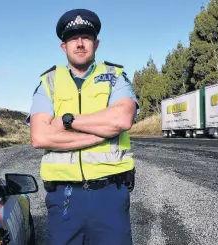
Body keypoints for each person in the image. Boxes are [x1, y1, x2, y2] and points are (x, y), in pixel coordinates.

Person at [27, 8, 139, 245]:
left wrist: (67, 121)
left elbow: (122, 120)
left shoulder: (115, 76)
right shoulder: (48, 82)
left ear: (96, 44)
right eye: (72, 39)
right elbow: (39, 136)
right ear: (63, 47)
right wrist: (102, 133)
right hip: (64, 199)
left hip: (110, 195)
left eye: (86, 37)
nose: (79, 43)